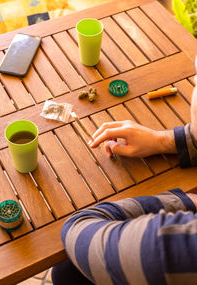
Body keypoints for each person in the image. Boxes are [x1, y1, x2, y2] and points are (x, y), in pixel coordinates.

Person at [52, 59, 197, 285]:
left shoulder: (183, 244)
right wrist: (162, 141)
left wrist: (183, 201)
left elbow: (79, 229)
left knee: (67, 270)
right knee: (66, 271)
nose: (193, 83)